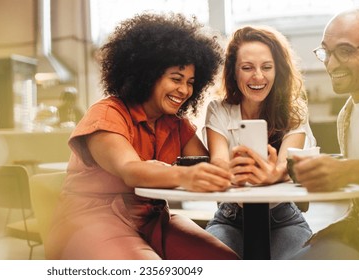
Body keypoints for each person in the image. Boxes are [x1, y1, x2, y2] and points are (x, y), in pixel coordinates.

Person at [45, 13, 238, 260]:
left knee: (228, 263)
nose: (184, 90)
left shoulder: (177, 125)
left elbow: (205, 166)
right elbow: (130, 170)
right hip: (90, 221)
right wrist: (184, 174)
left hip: (153, 221)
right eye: (176, 79)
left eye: (191, 82)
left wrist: (236, 165)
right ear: (147, 74)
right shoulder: (106, 113)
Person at [204, 25, 315, 259]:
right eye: (247, 68)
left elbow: (288, 162)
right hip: (230, 218)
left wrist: (274, 174)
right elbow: (219, 162)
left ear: (278, 70)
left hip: (282, 217)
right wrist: (233, 170)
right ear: (234, 72)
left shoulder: (294, 110)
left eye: (267, 67)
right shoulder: (219, 110)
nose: (258, 77)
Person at [292, 7, 359, 260]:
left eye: (344, 51)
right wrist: (346, 223)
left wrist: (347, 171)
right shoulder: (347, 114)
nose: (331, 64)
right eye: (326, 53)